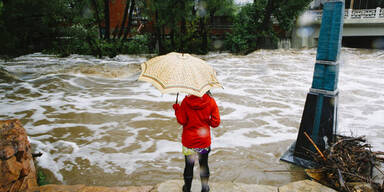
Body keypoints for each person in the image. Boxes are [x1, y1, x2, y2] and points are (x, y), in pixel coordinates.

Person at [173, 91, 220, 192]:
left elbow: (182, 121)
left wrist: (177, 109)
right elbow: (216, 122)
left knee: (189, 166)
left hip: (189, 143)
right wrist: (207, 121)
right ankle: (204, 188)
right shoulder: (211, 101)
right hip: (203, 142)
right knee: (204, 164)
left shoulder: (186, 101)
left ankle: (187, 188)